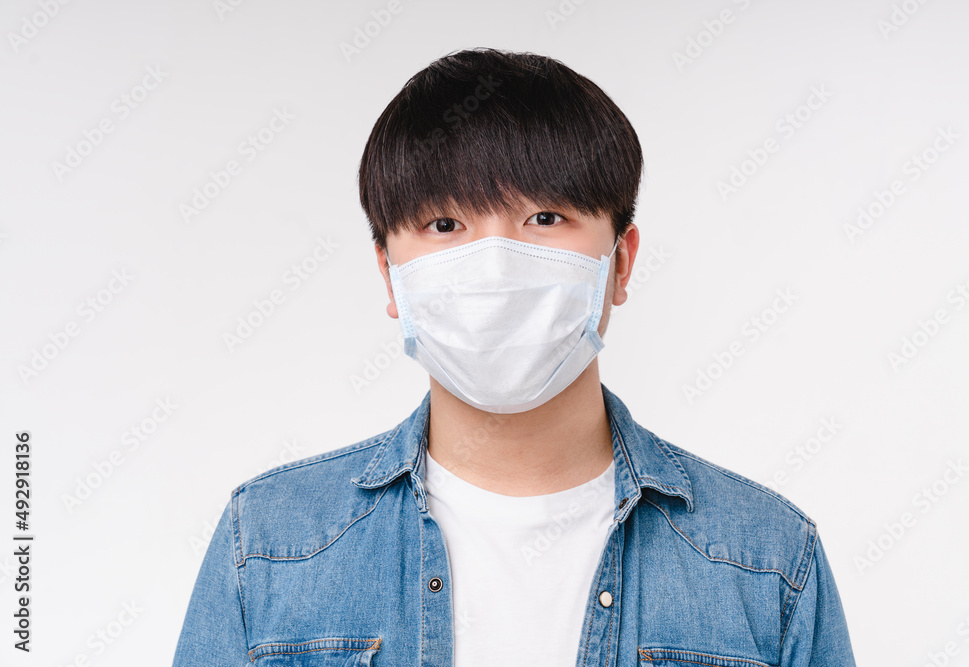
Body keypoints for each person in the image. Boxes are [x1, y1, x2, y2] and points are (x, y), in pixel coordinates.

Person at [172, 48, 856, 667]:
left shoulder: (767, 560)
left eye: (545, 218)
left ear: (621, 262)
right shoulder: (268, 542)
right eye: (446, 225)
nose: (496, 265)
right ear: (390, 276)